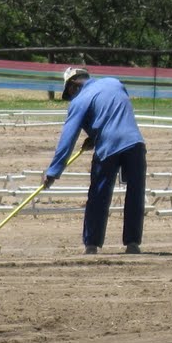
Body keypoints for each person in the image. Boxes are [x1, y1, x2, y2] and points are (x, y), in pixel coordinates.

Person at [41, 66, 147, 255]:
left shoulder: (79, 100)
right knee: (135, 194)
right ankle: (132, 243)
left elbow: (68, 137)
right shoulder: (115, 83)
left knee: (99, 195)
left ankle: (92, 244)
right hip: (135, 143)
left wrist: (53, 172)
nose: (70, 97)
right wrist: (94, 134)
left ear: (73, 85)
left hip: (108, 148)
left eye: (69, 92)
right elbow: (113, 112)